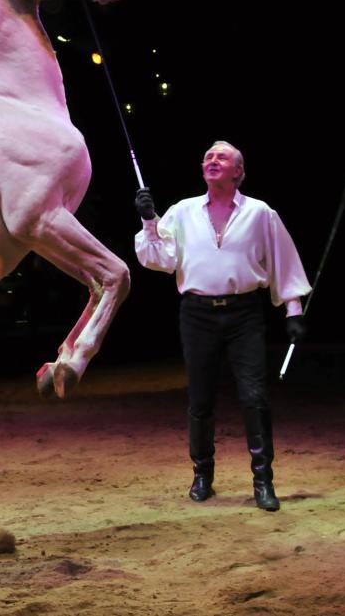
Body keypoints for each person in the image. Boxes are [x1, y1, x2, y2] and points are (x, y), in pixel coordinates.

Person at [133, 141, 310, 511]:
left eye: (222, 157)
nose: (213, 160)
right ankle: (202, 475)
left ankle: (263, 482)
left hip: (244, 313)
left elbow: (283, 260)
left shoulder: (260, 213)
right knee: (200, 399)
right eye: (208, 156)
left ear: (238, 172)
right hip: (197, 314)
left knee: (254, 396)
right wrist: (150, 220)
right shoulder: (182, 211)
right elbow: (159, 259)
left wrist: (293, 311)